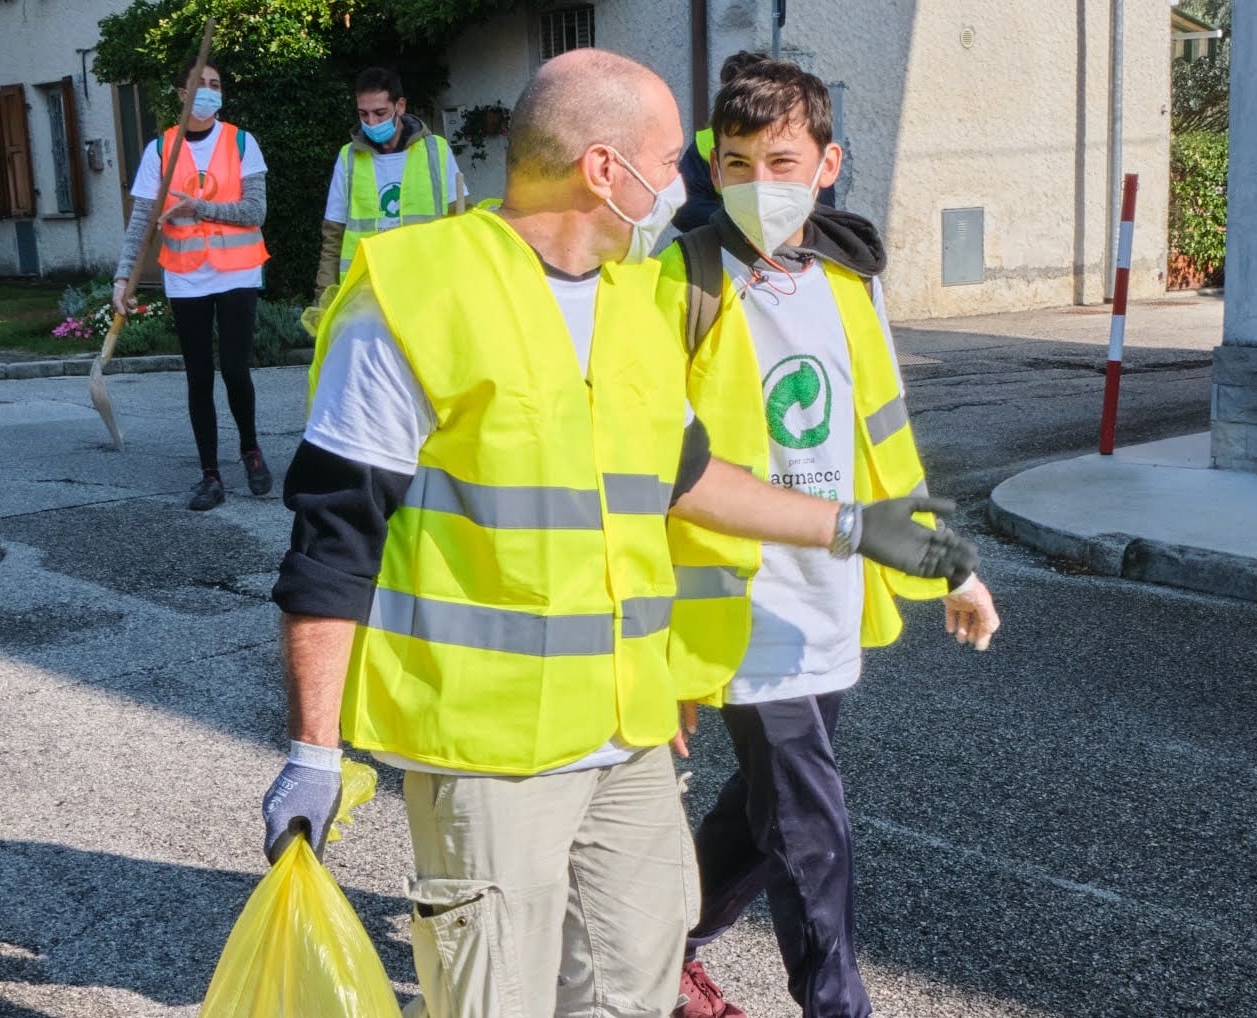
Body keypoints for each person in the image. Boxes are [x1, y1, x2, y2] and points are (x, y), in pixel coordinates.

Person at [262, 48, 979, 1018]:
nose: (687, 187)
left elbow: (689, 480)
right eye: (676, 161)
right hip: (490, 757)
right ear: (606, 170)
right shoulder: (417, 296)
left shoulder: (631, 307)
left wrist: (856, 527)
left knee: (630, 991)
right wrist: (313, 751)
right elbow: (334, 539)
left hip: (627, 742)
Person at [659, 58, 1000, 1018]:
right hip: (738, 605)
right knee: (812, 825)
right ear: (708, 166)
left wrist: (951, 567)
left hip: (828, 601)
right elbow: (651, 472)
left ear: (827, 163)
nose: (758, 183)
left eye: (781, 160)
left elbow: (884, 451)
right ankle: (835, 1004)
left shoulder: (848, 283)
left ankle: (654, 935)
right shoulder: (678, 280)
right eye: (734, 162)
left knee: (766, 820)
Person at [113, 58, 271, 512]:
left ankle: (251, 450)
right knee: (199, 376)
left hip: (237, 271)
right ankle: (210, 474)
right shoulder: (161, 150)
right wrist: (124, 277)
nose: (208, 91)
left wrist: (197, 208)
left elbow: (255, 212)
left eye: (215, 84)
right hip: (185, 277)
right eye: (199, 85)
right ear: (182, 94)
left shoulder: (242, 142)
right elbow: (142, 221)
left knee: (236, 370)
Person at [314, 66, 468, 295]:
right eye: (363, 114)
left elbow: (462, 221)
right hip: (366, 290)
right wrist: (324, 296)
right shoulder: (349, 157)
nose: (371, 122)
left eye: (380, 113)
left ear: (400, 106)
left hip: (426, 288)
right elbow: (333, 237)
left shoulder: (436, 150)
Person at [672, 51, 835, 233]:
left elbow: (822, 209)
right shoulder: (705, 142)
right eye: (738, 163)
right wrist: (738, 222)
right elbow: (684, 209)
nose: (759, 180)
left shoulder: (803, 139)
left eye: (781, 161)